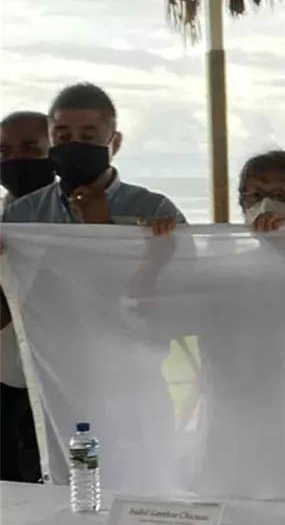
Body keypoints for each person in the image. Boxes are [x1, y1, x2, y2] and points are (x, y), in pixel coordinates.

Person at [2, 83, 183, 233]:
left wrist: (105, 228)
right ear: (50, 141)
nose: (74, 145)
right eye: (63, 137)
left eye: (88, 137)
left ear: (115, 143)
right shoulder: (22, 214)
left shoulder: (155, 211)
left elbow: (183, 263)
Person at [0, 111, 54, 482]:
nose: (15, 159)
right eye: (4, 151)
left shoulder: (79, 218)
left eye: (30, 148)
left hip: (62, 372)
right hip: (5, 370)